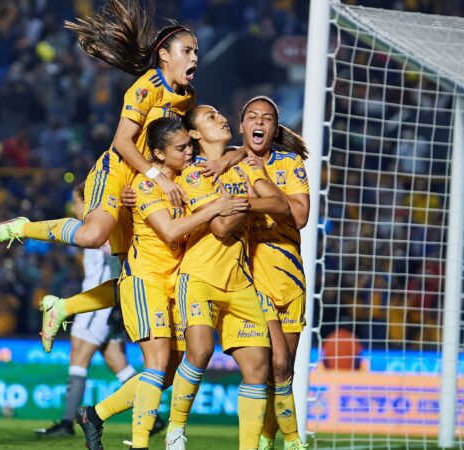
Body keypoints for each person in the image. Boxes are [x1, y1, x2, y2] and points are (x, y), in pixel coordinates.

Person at [0, 0, 241, 351]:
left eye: (196, 52)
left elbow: (179, 146)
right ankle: (21, 227)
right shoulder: (144, 89)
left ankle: (64, 307)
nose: (194, 58)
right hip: (117, 171)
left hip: (143, 186)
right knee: (91, 235)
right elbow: (122, 142)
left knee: (137, 277)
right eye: (187, 50)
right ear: (164, 54)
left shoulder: (187, 96)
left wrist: (224, 159)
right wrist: (156, 179)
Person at [74, 117, 250, 450]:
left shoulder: (187, 176)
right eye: (180, 148)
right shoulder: (144, 185)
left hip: (175, 284)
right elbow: (170, 231)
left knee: (167, 373)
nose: (188, 152)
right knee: (155, 366)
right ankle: (140, 444)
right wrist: (216, 206)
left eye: (189, 145)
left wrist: (231, 157)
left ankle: (94, 415)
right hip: (146, 280)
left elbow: (236, 153)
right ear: (158, 153)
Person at [165, 105, 289, 450]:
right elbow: (219, 227)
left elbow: (283, 208)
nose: (221, 118)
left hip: (240, 281)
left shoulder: (244, 167)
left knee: (257, 368)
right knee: (201, 351)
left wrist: (237, 200)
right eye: (209, 117)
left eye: (219, 115)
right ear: (194, 134)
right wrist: (248, 201)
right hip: (201, 275)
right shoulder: (193, 175)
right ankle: (175, 431)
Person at [34, 183, 150, 437]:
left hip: (97, 306)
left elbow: (111, 258)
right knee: (117, 362)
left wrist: (114, 308)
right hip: (107, 306)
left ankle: (67, 423)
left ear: (86, 202)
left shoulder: (100, 228)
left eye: (76, 202)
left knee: (78, 357)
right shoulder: (99, 226)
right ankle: (153, 416)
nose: (74, 207)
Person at [237, 96, 310, 450]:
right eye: (252, 116)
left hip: (290, 278)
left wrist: (261, 188)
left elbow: (299, 216)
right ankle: (294, 441)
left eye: (266, 118)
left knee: (285, 371)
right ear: (242, 126)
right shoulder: (231, 165)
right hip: (252, 278)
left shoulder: (290, 163)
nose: (259, 122)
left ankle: (267, 438)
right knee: (275, 363)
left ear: (275, 129)